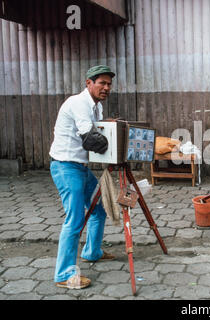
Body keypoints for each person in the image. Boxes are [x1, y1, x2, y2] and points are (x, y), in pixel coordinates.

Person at [49, 65, 116, 289]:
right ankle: (64, 275)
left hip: (80, 168)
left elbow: (101, 134)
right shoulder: (79, 103)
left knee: (99, 208)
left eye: (109, 84)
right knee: (75, 220)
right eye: (102, 83)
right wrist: (119, 147)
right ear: (89, 83)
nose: (106, 88)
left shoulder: (96, 108)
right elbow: (91, 140)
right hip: (66, 167)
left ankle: (92, 251)